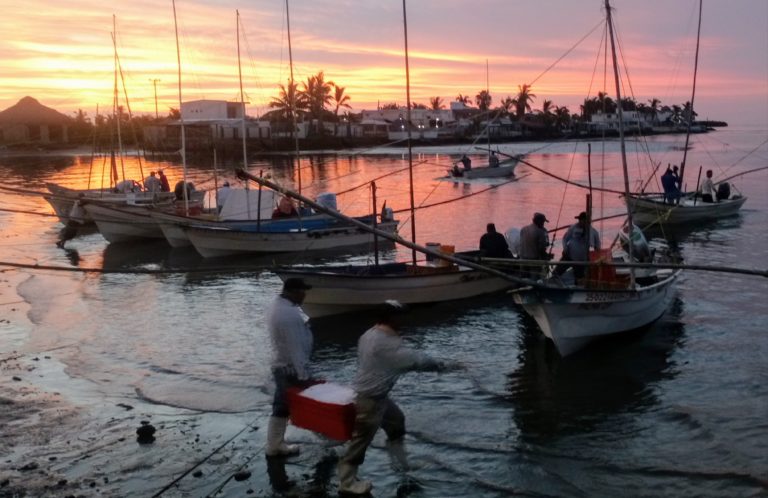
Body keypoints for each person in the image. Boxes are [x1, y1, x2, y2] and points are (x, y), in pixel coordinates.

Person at [337, 301, 458, 494]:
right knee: (360, 441)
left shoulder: (370, 334)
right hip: (370, 400)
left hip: (377, 397)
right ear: (392, 318)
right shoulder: (385, 344)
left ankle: (400, 462)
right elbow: (417, 360)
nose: (406, 320)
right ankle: (347, 483)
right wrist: (448, 366)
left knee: (397, 422)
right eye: (402, 316)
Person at [266, 277, 314, 457]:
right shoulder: (289, 314)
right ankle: (327, 439)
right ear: (293, 292)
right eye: (302, 291)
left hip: (281, 365)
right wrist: (303, 375)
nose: (304, 295)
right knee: (308, 403)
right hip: (290, 368)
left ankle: (275, 444)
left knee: (282, 405)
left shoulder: (277, 307)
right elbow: (295, 347)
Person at [552, 211, 601, 282]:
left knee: (579, 279)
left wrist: (596, 257)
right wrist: (565, 248)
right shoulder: (573, 228)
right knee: (556, 273)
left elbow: (597, 248)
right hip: (568, 256)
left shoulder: (593, 232)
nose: (580, 222)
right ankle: (553, 280)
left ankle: (578, 282)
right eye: (580, 220)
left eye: (583, 220)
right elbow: (565, 239)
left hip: (581, 260)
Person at [518, 212, 552, 279]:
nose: (543, 224)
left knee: (523, 277)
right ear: (539, 221)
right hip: (534, 260)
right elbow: (542, 248)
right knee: (534, 278)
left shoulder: (523, 229)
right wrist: (547, 256)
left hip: (522, 259)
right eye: (543, 222)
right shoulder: (541, 231)